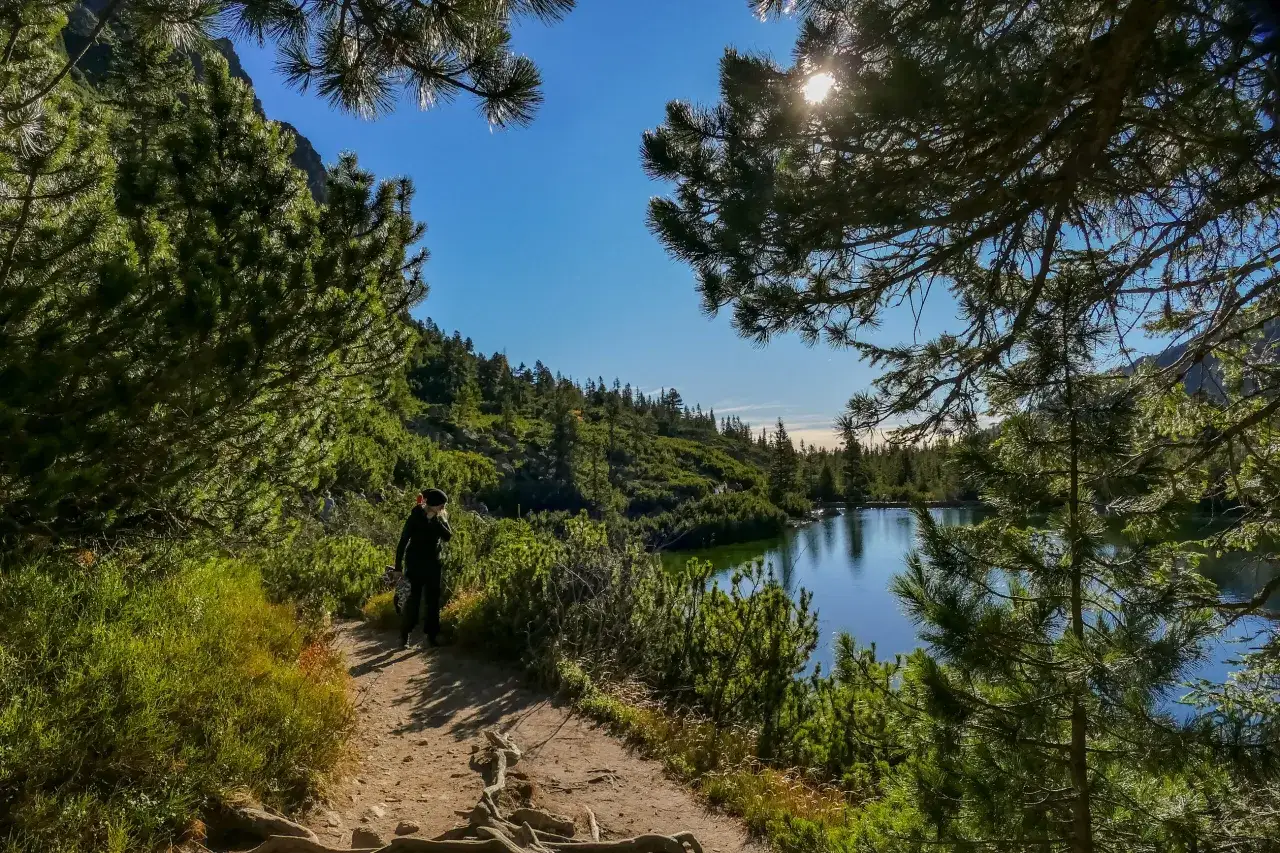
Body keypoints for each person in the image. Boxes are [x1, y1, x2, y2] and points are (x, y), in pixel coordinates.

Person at [395, 488, 452, 648]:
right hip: (414, 564)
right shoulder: (415, 517)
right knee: (412, 600)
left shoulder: (441, 517)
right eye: (440, 505)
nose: (443, 507)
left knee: (433, 601)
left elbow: (448, 536)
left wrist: (434, 521)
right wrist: (398, 567)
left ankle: (432, 636)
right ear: (432, 504)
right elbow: (403, 541)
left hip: (434, 564)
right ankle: (403, 636)